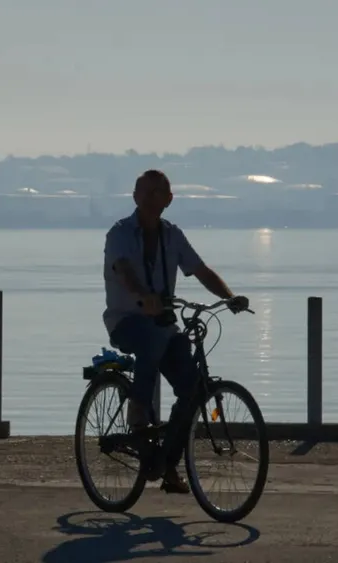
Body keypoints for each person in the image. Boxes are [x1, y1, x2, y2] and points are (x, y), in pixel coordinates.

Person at [102, 169, 249, 494]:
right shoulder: (120, 233)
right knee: (151, 338)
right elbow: (124, 271)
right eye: (145, 191)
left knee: (192, 388)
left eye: (157, 192)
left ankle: (168, 464)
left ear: (169, 199)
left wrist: (229, 297)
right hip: (126, 321)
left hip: (163, 324)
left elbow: (201, 270)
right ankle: (138, 411)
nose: (150, 197)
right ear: (135, 197)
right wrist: (143, 296)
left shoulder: (172, 236)